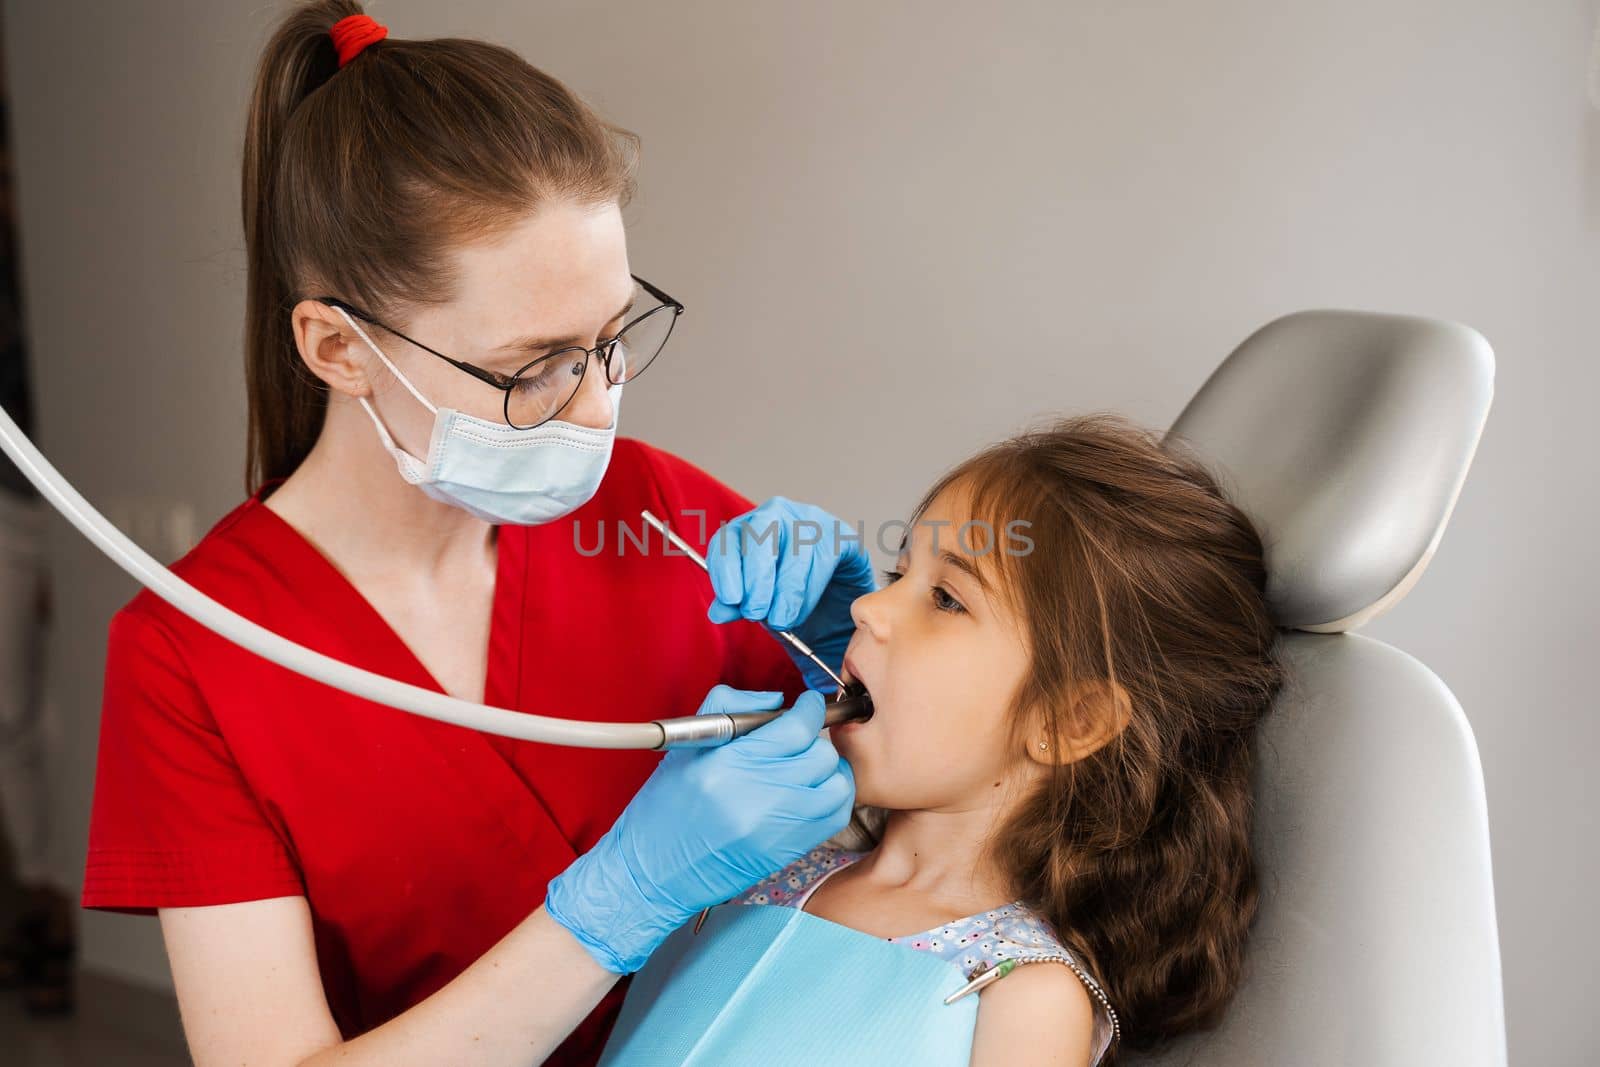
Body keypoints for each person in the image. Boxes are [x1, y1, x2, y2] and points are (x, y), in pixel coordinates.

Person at [79, 5, 865, 1064]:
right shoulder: (191, 658)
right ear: (338, 348)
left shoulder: (657, 513)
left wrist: (856, 645)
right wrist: (612, 908)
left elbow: (936, 792)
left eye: (608, 339)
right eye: (532, 365)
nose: (594, 408)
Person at [607, 414, 1287, 1066]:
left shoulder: (1023, 995)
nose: (867, 606)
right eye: (899, 573)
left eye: (946, 598)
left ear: (1068, 721)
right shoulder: (767, 868)